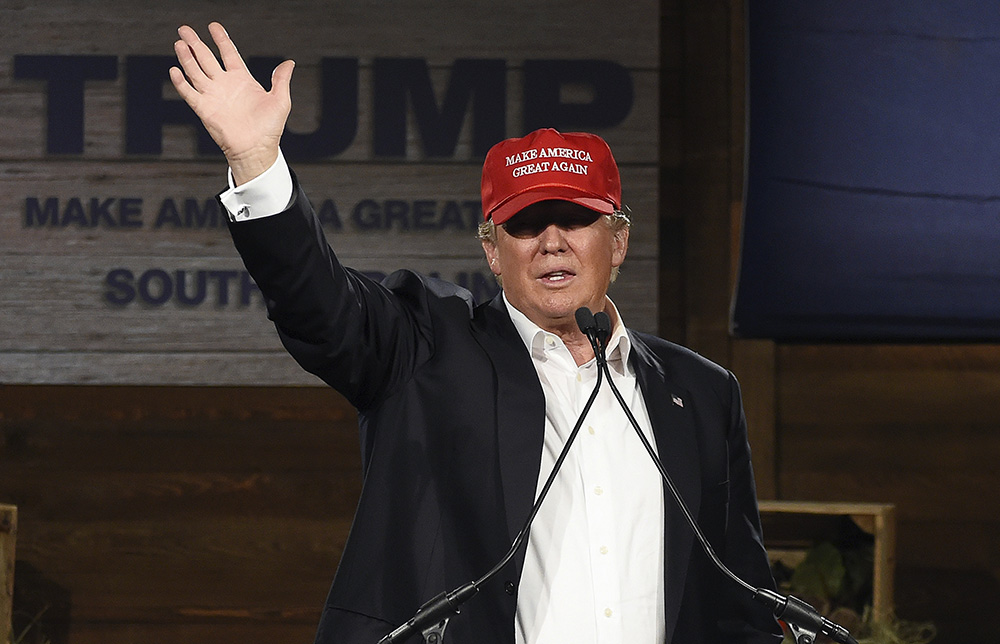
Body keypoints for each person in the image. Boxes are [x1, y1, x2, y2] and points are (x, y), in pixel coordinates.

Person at [171, 22, 782, 644]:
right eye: (524, 224)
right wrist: (255, 163)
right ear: (492, 251)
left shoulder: (703, 394)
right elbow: (319, 308)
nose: (551, 241)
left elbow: (740, 602)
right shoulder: (427, 348)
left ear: (617, 240)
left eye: (575, 218)